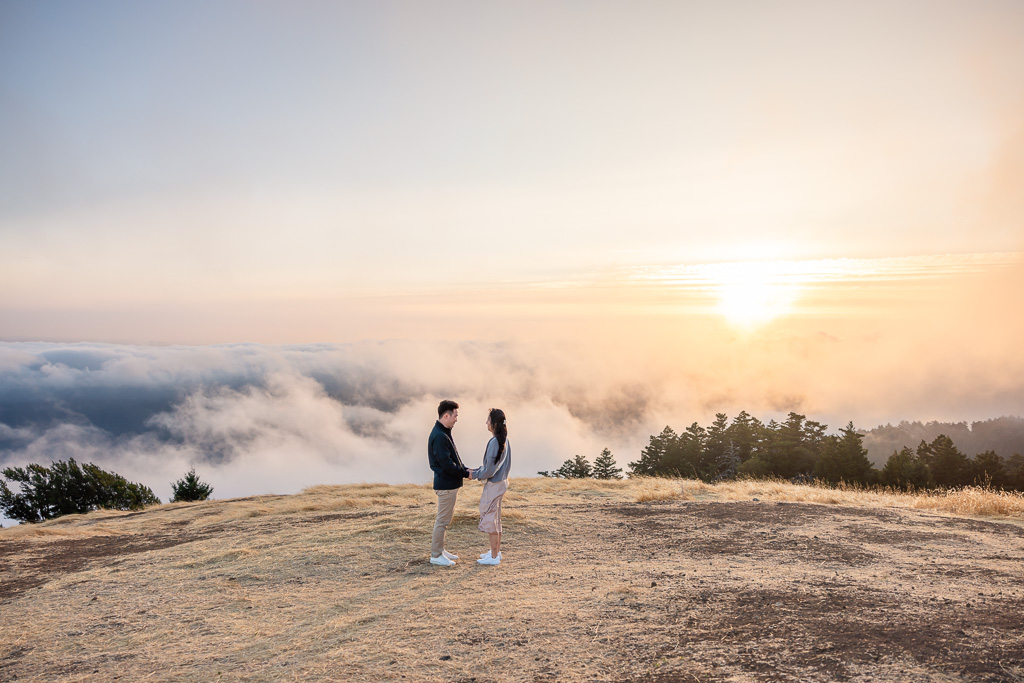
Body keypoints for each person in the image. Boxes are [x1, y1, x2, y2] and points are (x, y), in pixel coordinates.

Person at [428, 399, 471, 566]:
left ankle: (440, 550)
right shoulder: (439, 436)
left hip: (449, 484)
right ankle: (436, 555)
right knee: (442, 521)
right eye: (455, 416)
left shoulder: (443, 432)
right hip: (445, 485)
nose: (456, 419)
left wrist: (466, 469)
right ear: (446, 415)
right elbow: (446, 464)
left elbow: (454, 459)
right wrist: (465, 473)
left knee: (445, 520)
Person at [472, 408, 511, 566]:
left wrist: (475, 475)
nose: (486, 423)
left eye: (488, 420)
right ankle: (495, 552)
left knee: (490, 518)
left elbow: (489, 469)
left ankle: (494, 557)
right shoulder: (504, 439)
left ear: (494, 423)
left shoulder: (495, 441)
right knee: (496, 518)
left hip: (494, 484)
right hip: (501, 482)